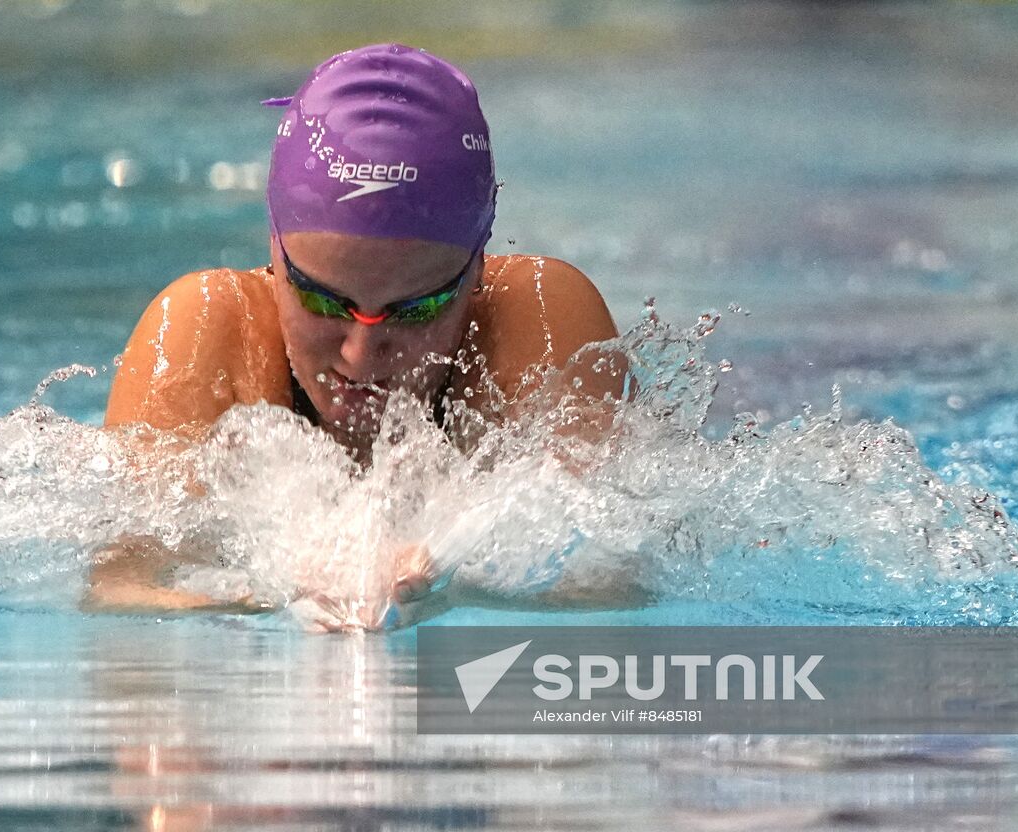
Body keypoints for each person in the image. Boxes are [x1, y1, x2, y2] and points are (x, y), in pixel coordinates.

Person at [88, 43, 625, 628]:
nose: (361, 354)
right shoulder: (209, 330)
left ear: (476, 268)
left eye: (416, 309)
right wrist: (266, 594)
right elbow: (121, 590)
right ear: (275, 248)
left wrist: (460, 583)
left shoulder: (539, 318)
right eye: (322, 299)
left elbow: (615, 586)